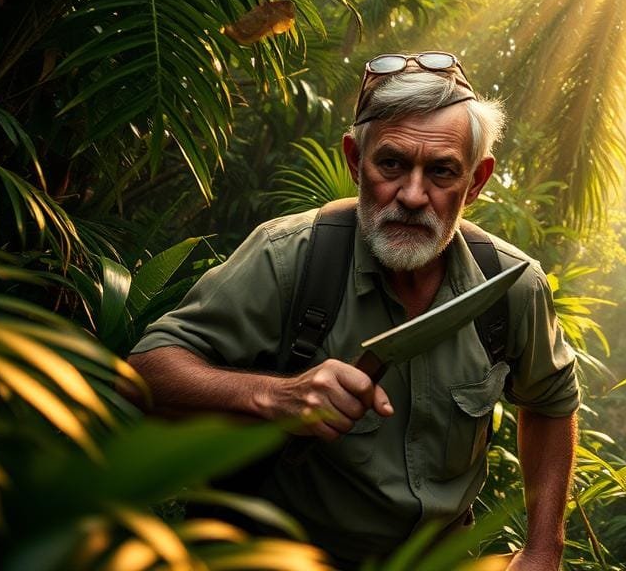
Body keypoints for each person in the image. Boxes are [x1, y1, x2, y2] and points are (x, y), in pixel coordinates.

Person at [127, 52, 579, 570]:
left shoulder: (509, 286)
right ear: (352, 160)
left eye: (441, 172)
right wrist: (275, 396)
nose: (412, 195)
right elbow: (145, 373)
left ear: (475, 182)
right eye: (391, 163)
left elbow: (550, 401)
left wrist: (544, 548)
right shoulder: (290, 256)